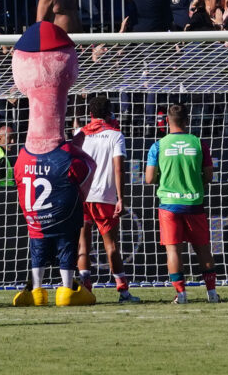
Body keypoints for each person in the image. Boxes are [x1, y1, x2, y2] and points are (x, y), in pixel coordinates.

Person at [13, 106, 94, 306]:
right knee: (67, 248)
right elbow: (88, 167)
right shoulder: (64, 153)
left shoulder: (23, 154)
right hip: (62, 214)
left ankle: (37, 291)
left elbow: (18, 177)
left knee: (38, 252)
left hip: (36, 218)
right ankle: (66, 290)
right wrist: (75, 147)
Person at [146, 100, 219, 301]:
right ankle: (212, 294)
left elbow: (149, 178)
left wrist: (165, 179)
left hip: (169, 205)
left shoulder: (158, 146)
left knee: (173, 250)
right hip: (194, 203)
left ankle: (181, 295)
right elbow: (209, 176)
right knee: (203, 249)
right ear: (187, 121)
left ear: (167, 121)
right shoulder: (199, 143)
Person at [76, 93, 137, 301]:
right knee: (111, 246)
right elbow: (119, 168)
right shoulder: (115, 135)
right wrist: (121, 198)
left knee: (83, 245)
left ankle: (86, 289)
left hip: (82, 196)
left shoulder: (80, 134)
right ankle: (123, 291)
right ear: (110, 112)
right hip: (105, 196)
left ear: (90, 113)